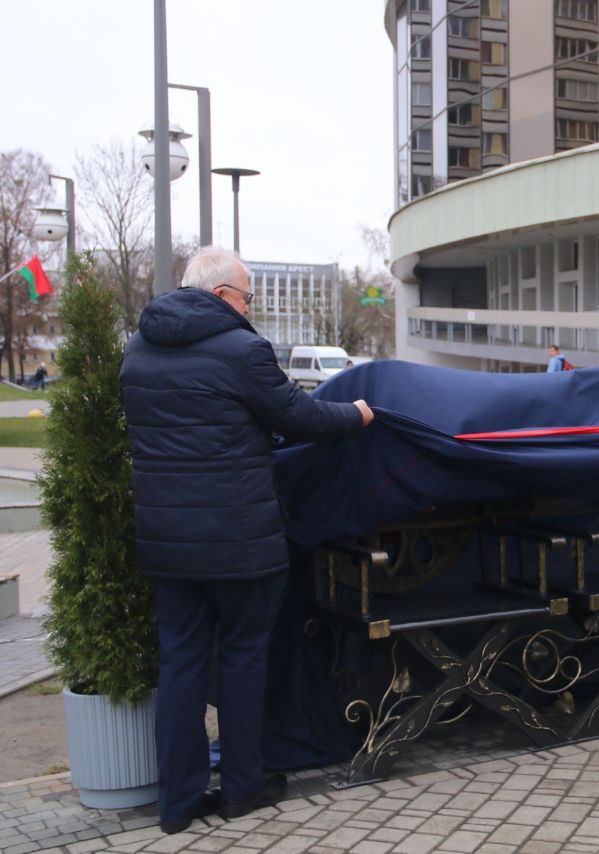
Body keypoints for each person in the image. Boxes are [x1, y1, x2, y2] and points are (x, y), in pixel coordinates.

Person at [120, 247, 374, 835]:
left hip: (168, 544)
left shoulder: (136, 351)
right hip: (239, 542)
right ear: (220, 295)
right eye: (247, 297)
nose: (249, 308)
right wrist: (358, 414)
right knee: (241, 660)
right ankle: (240, 789)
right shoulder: (241, 350)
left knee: (180, 665)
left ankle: (176, 805)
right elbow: (301, 417)